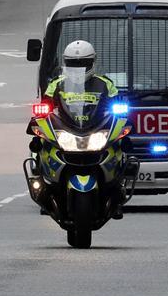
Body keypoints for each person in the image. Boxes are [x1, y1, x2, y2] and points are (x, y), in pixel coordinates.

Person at [43, 41, 123, 217]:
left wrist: (120, 115)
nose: (77, 68)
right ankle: (44, 190)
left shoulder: (105, 84)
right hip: (67, 129)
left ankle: (117, 195)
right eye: (73, 64)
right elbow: (45, 107)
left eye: (82, 64)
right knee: (40, 144)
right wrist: (42, 115)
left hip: (96, 130)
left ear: (93, 63)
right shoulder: (56, 84)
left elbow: (119, 106)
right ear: (65, 63)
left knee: (121, 147)